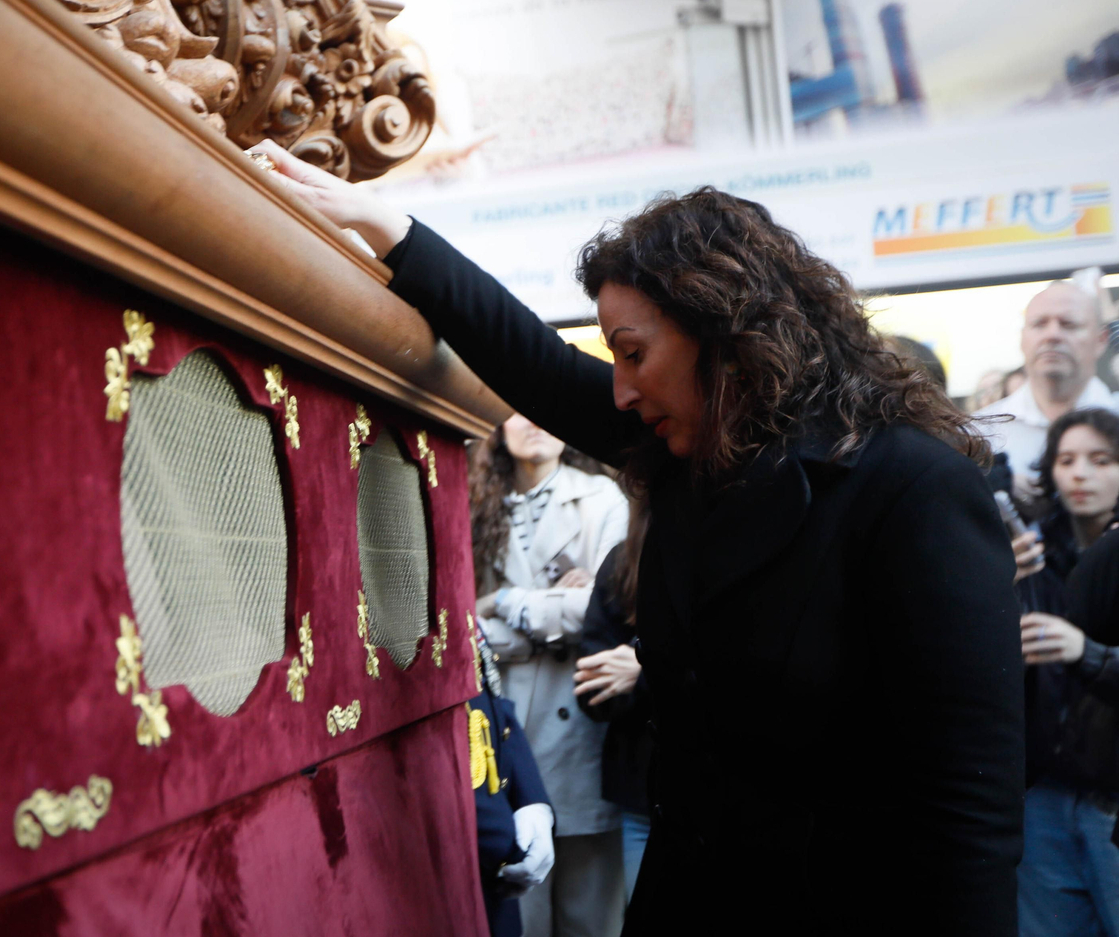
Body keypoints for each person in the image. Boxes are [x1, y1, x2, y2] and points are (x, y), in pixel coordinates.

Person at [253, 141, 1023, 937]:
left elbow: (968, 813)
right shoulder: (691, 453)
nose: (620, 388)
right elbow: (534, 361)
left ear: (723, 334)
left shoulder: (914, 489)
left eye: (632, 354)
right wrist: (391, 228)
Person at [469, 413, 628, 937]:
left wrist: (507, 602)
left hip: (579, 720)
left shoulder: (602, 498)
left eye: (542, 408)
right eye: (514, 407)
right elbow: (466, 620)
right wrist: (554, 609)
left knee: (590, 913)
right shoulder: (475, 502)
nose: (533, 421)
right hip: (510, 728)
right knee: (523, 906)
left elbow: (607, 606)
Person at [1015, 409, 1119, 936]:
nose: (1081, 474)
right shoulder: (1029, 549)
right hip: (1046, 791)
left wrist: (1089, 651)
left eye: (1102, 460)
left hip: (1110, 797)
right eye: (1067, 460)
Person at [573, 495, 653, 898]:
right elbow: (592, 690)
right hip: (643, 791)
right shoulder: (624, 560)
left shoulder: (733, 543)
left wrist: (645, 670)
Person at [977, 283, 1119, 501]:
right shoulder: (980, 433)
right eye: (1039, 324)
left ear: (1101, 340)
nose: (1053, 335)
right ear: (1022, 338)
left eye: (1069, 324)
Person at [468, 622, 557, 937]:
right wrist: (507, 847)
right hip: (462, 857)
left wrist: (532, 801)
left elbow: (493, 698)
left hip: (495, 853)